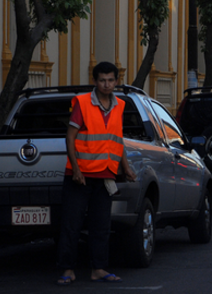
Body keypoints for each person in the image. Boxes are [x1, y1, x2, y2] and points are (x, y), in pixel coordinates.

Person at [56, 61, 137, 286]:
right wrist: (76, 170)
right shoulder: (82, 103)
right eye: (102, 80)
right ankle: (67, 270)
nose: (107, 84)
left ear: (117, 81)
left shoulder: (119, 105)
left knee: (101, 226)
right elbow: (70, 137)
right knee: (71, 224)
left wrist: (126, 168)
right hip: (79, 176)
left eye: (111, 80)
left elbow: (117, 139)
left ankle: (98, 269)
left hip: (105, 175)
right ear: (95, 81)